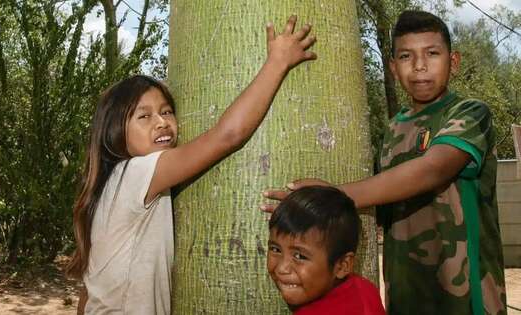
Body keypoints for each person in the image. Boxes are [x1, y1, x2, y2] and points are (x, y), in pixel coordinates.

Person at [65, 16, 317, 315]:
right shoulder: (137, 172)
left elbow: (87, 293)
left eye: (167, 111)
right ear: (114, 132)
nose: (162, 122)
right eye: (144, 117)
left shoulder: (110, 186)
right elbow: (228, 135)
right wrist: (277, 62)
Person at [262, 10, 507, 315]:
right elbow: (389, 200)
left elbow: (433, 169)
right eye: (406, 56)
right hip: (405, 293)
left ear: (453, 62)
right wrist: (310, 215)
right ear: (392, 68)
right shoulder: (394, 128)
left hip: (466, 295)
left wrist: (335, 195)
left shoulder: (470, 112)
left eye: (432, 53)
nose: (419, 66)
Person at [267, 186, 385, 315]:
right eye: (275, 249)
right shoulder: (365, 289)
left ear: (342, 266)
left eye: (299, 256)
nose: (282, 268)